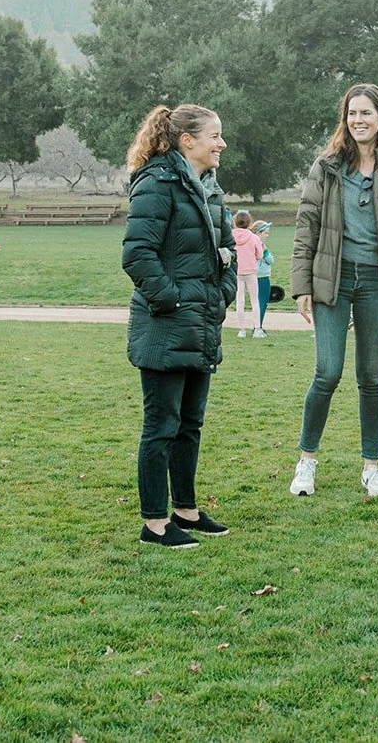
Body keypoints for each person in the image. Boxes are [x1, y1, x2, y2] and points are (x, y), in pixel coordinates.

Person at [289, 83, 378, 500]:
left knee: (370, 377)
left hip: (376, 283)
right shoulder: (327, 166)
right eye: (352, 113)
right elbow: (306, 226)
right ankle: (306, 461)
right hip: (331, 280)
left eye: (366, 113)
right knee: (327, 373)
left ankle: (372, 468)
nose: (358, 120)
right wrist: (301, 286)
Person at [121, 104, 237, 549]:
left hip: (201, 324)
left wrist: (221, 294)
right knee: (161, 425)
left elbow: (227, 251)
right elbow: (138, 254)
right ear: (188, 140)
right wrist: (172, 299)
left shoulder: (210, 188)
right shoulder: (157, 182)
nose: (221, 143)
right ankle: (154, 524)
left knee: (190, 423)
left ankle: (185, 510)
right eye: (214, 135)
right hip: (166, 325)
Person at [231, 210, 265, 338]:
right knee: (254, 300)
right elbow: (260, 255)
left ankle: (242, 330)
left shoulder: (231, 236)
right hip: (250, 271)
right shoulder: (253, 237)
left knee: (240, 301)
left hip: (237, 271)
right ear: (249, 222)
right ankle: (257, 329)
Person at [253, 220, 274, 337]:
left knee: (257, 302)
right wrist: (266, 252)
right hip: (262, 276)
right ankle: (258, 327)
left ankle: (257, 325)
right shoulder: (261, 246)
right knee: (262, 302)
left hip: (253, 276)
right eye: (265, 233)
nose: (267, 235)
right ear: (258, 233)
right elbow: (270, 260)